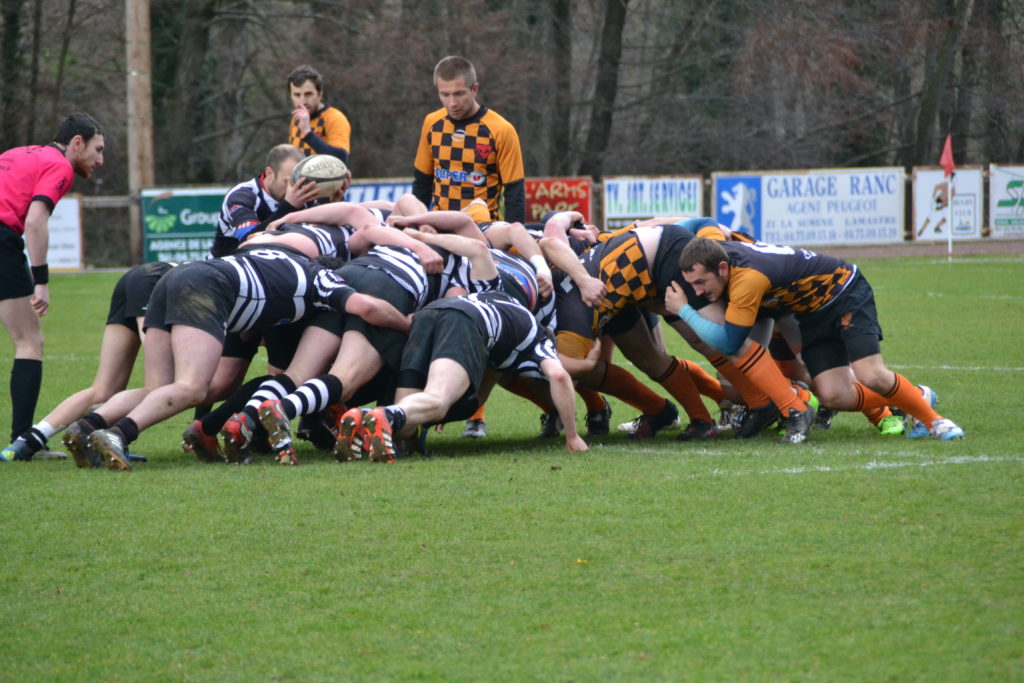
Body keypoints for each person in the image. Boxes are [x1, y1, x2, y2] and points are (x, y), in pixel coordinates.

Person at [64, 244, 411, 470]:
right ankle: (120, 435)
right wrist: (405, 322)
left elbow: (248, 328)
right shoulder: (324, 280)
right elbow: (365, 306)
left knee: (158, 386)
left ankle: (87, 427)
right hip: (205, 288)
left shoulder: (285, 261)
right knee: (192, 388)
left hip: (175, 279)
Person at [668, 237, 964, 442]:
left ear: (721, 269)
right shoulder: (717, 254)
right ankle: (916, 394)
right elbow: (700, 222)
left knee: (870, 374)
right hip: (811, 313)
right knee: (833, 395)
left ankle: (936, 422)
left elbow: (731, 343)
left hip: (845, 292)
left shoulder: (747, 279)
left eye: (700, 283)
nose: (696, 291)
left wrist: (683, 310)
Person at [336, 290, 589, 463]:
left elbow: (487, 375)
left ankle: (362, 423)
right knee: (438, 400)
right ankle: (378, 416)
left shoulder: (503, 303)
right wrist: (572, 436)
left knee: (406, 425)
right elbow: (558, 376)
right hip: (464, 322)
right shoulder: (538, 340)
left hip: (430, 313)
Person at [0, 112, 105, 456]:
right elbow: (34, 221)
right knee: (30, 342)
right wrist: (41, 281)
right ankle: (23, 441)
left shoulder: (18, 153)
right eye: (97, 149)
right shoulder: (59, 166)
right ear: (77, 143)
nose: (100, 160)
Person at [2, 262, 168, 464]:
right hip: (156, 281)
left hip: (135, 278)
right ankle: (100, 433)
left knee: (103, 390)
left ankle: (26, 442)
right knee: (161, 389)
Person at [412, 56, 525, 223]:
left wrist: (511, 242)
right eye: (445, 94)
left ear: (474, 89)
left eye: (459, 94)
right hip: (439, 227)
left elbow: (514, 192)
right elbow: (422, 182)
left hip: (483, 229)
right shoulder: (432, 123)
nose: (452, 103)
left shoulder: (501, 130)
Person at [210, 144, 322, 258]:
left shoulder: (304, 195)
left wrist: (331, 202)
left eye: (299, 182)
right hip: (227, 268)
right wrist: (289, 206)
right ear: (269, 173)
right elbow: (249, 238)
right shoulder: (241, 195)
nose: (293, 188)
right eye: (288, 182)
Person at [287, 65, 351, 163]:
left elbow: (341, 159)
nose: (302, 101)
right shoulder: (296, 119)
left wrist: (308, 133)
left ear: (320, 95)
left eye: (308, 94)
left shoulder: (335, 118)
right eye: (297, 95)